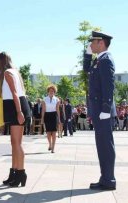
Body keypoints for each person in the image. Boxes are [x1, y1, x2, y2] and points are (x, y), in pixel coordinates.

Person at [83, 31, 116, 190]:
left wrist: (106, 109)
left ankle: (109, 180)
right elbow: (85, 70)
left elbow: (109, 87)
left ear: (101, 43)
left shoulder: (106, 60)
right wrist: (87, 54)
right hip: (98, 109)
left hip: (103, 110)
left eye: (93, 42)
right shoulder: (99, 60)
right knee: (101, 145)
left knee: (105, 145)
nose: (91, 45)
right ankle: (105, 178)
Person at [0, 52, 28, 187]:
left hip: (16, 108)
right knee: (14, 143)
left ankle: (21, 173)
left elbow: (15, 93)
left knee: (17, 143)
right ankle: (14, 172)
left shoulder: (8, 73)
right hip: (14, 107)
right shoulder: (13, 71)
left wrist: (19, 112)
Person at [41, 84, 60, 153]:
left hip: (54, 115)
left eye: (53, 91)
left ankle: (53, 148)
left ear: (54, 92)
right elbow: (43, 110)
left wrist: (59, 119)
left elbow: (58, 110)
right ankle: (50, 144)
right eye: (50, 91)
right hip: (47, 115)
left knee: (54, 133)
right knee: (48, 133)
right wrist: (42, 119)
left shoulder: (57, 99)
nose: (51, 92)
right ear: (48, 91)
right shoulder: (44, 99)